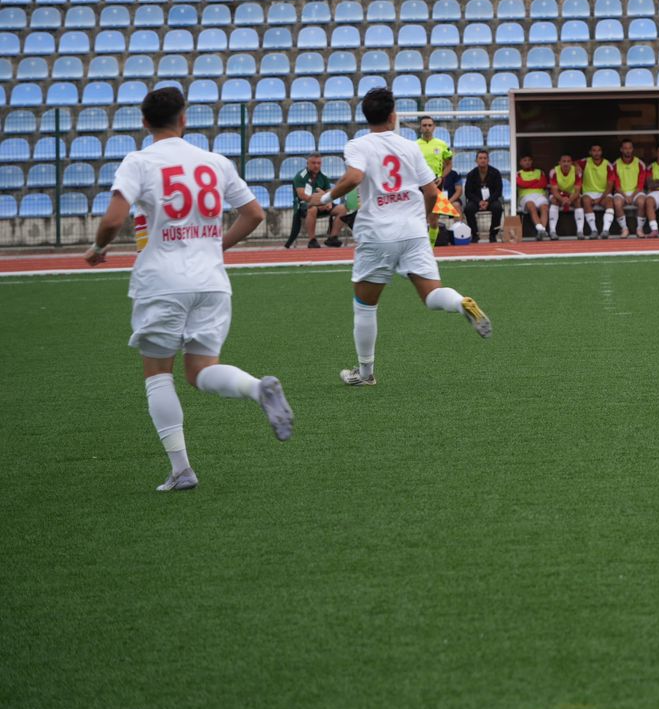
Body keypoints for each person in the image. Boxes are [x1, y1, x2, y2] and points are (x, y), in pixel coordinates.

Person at [85, 85, 292, 491]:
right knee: (200, 370)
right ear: (184, 119)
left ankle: (181, 470)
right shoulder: (215, 162)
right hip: (211, 282)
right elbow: (253, 213)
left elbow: (112, 220)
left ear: (144, 122)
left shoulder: (139, 161)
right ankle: (256, 388)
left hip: (162, 281)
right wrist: (216, 246)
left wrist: (98, 248)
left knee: (157, 374)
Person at [316, 87, 490, 388]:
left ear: (366, 116)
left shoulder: (358, 145)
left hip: (377, 233)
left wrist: (325, 197)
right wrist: (425, 218)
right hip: (413, 231)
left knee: (365, 305)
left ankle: (365, 373)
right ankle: (460, 302)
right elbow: (432, 192)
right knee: (432, 295)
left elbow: (354, 177)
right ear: (393, 116)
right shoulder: (410, 147)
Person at [285, 154, 342, 249]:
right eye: (313, 163)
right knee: (313, 209)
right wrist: (320, 202)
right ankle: (312, 240)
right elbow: (302, 196)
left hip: (322, 204)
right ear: (307, 163)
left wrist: (328, 202)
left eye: (319, 163)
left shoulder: (323, 176)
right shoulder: (300, 176)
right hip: (303, 206)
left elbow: (329, 194)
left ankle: (332, 238)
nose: (316, 165)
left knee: (343, 209)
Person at [460, 150, 505, 242]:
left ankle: (493, 234)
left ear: (488, 160)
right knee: (468, 209)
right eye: (480, 158)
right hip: (476, 200)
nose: (483, 160)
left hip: (492, 200)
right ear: (476, 160)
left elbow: (498, 191)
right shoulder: (471, 174)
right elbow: (468, 192)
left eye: (485, 158)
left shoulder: (496, 173)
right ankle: (475, 234)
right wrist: (479, 201)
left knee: (497, 208)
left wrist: (488, 201)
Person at [577, 143, 616, 239]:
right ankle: (593, 230)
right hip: (588, 193)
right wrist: (576, 166)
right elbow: (573, 162)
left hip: (603, 193)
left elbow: (610, 185)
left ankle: (605, 230)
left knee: (609, 202)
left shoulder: (608, 164)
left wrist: (600, 198)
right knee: (585, 200)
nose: (596, 153)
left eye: (598, 150)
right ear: (590, 152)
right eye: (594, 150)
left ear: (601, 152)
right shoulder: (585, 161)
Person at [612, 140, 648, 237]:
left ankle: (639, 229)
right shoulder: (615, 164)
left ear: (632, 149)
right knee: (617, 202)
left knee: (642, 202)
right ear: (621, 149)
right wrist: (625, 196)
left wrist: (632, 196)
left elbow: (640, 185)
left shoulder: (640, 163)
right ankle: (624, 229)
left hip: (636, 192)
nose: (628, 150)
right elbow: (616, 185)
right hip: (621, 192)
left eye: (630, 148)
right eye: (625, 148)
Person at [514, 154, 553, 239]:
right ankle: (541, 229)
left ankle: (541, 230)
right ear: (520, 162)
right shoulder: (518, 173)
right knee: (531, 206)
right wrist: (535, 181)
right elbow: (521, 184)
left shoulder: (540, 172)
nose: (527, 162)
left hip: (540, 195)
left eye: (529, 160)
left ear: (532, 161)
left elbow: (543, 184)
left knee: (544, 208)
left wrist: (528, 184)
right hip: (525, 196)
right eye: (525, 160)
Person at [549, 153, 582, 237]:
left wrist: (570, 200)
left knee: (578, 200)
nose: (566, 164)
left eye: (568, 161)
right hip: (559, 194)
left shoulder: (577, 171)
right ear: (559, 163)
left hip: (571, 194)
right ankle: (552, 231)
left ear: (571, 163)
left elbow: (577, 191)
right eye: (564, 161)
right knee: (554, 200)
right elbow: (554, 191)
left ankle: (580, 231)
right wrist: (563, 199)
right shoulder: (554, 171)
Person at [414, 116, 453, 186]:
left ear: (434, 127)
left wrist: (441, 177)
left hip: (436, 181)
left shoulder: (442, 144)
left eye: (430, 125)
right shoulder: (414, 145)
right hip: (420, 181)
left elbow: (449, 165)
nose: (427, 128)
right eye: (424, 125)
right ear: (420, 128)